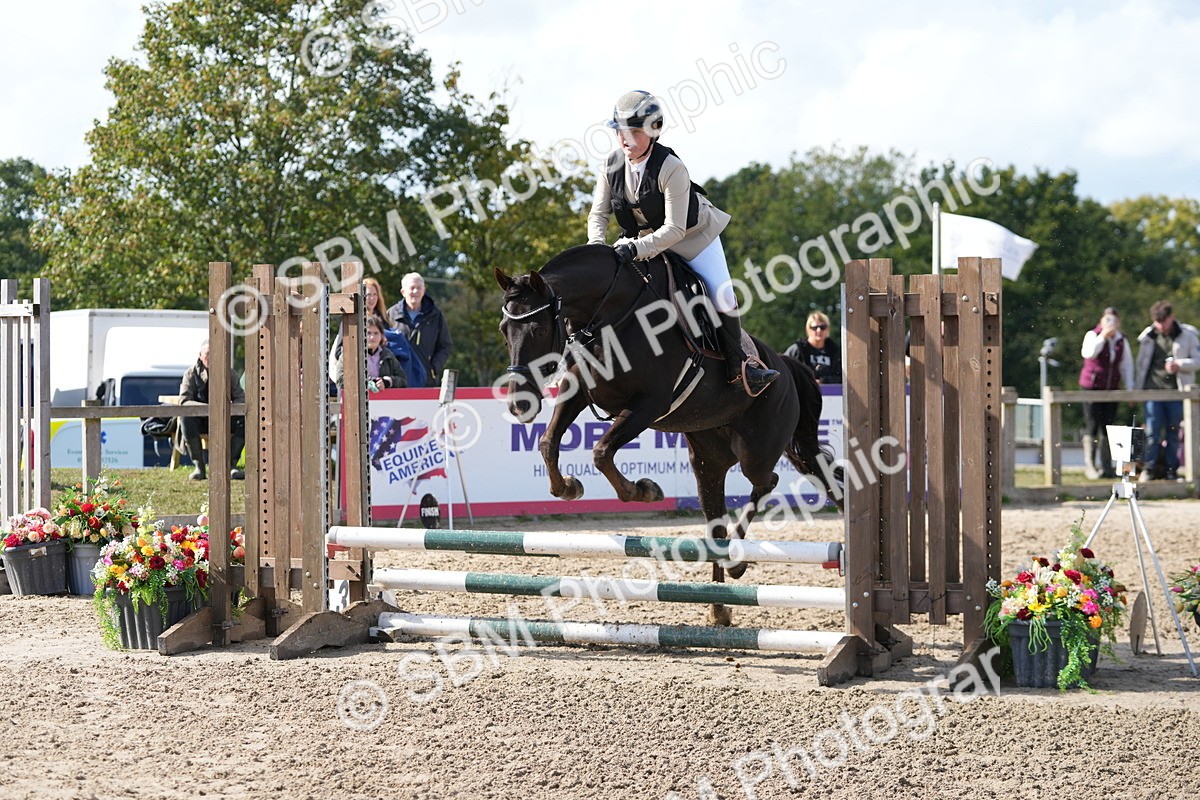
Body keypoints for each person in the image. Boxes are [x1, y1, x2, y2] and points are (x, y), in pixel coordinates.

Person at [586, 89, 778, 396]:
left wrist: (634, 248)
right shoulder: (611, 166)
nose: (625, 139)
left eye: (634, 132)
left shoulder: (671, 167)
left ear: (654, 131)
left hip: (692, 238)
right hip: (642, 239)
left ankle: (739, 367)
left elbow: (674, 229)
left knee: (722, 294)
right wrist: (597, 249)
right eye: (621, 131)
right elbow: (598, 215)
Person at [1133, 300, 1200, 481]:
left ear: (1172, 317)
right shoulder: (1148, 337)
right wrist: (1136, 390)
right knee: (1152, 432)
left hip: (1177, 392)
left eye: (1164, 321)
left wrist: (1180, 365)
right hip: (1153, 392)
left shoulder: (1188, 335)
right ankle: (1149, 468)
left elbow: (1197, 360)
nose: (1161, 326)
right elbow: (1141, 366)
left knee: (1173, 432)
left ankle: (1172, 470)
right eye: (1157, 322)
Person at [330, 277, 424, 390]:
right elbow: (340, 350)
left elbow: (402, 377)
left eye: (375, 294)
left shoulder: (384, 318)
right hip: (358, 379)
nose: (372, 298)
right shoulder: (351, 319)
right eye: (368, 295)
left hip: (384, 381)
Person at [1078, 306, 1135, 479]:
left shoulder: (1121, 340)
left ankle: (1106, 466)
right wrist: (1102, 337)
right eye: (1108, 319)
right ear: (1101, 320)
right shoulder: (1093, 335)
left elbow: (1127, 366)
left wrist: (1130, 390)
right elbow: (1088, 353)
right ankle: (1090, 465)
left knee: (1108, 427)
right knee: (1092, 424)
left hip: (1111, 389)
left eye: (1114, 320)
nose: (1111, 323)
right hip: (1092, 387)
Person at [179, 340, 246, 481]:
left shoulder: (229, 373)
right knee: (185, 417)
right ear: (200, 355)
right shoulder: (190, 373)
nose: (210, 358)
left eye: (214, 354)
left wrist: (226, 409)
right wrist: (207, 409)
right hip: (200, 419)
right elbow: (184, 401)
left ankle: (231, 466)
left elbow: (241, 399)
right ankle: (199, 467)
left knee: (244, 419)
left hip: (224, 419)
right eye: (207, 354)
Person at [386, 272, 452, 387]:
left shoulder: (435, 315)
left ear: (424, 290)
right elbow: (382, 345)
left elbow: (445, 345)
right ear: (403, 292)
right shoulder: (391, 314)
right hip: (399, 381)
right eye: (412, 288)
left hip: (426, 381)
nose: (415, 292)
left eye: (419, 288)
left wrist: (434, 368)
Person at [331, 314, 406, 392]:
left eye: (376, 333)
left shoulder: (388, 355)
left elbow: (403, 380)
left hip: (382, 401)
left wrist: (387, 382)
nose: (372, 337)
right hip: (356, 401)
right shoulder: (349, 354)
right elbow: (340, 379)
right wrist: (365, 383)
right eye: (368, 333)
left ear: (381, 335)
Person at [785, 311, 842, 384]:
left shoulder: (835, 351)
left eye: (822, 327)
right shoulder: (797, 349)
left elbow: (842, 377)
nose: (819, 330)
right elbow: (783, 371)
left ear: (828, 329)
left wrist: (822, 381)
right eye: (814, 327)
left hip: (831, 394)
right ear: (808, 329)